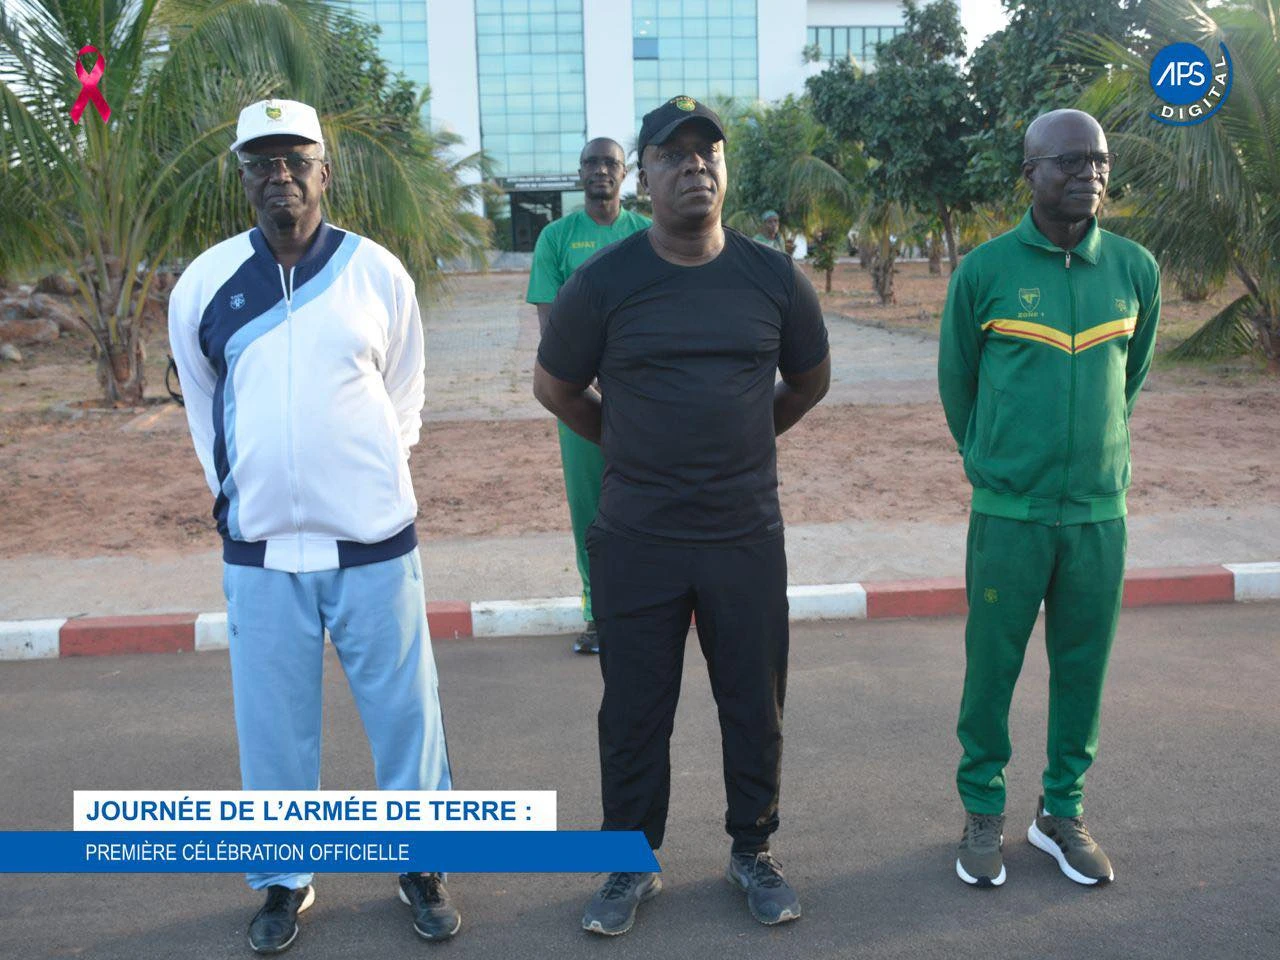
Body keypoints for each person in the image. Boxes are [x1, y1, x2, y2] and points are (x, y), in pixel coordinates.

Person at [533, 95, 830, 935]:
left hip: (742, 534)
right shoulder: (605, 280)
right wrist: (627, 444)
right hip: (638, 538)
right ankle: (628, 863)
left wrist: (743, 440)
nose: (695, 166)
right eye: (674, 154)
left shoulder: (773, 277)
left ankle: (753, 851)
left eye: (709, 153)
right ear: (644, 174)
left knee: (753, 702)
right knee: (633, 708)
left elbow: (808, 382)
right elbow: (554, 387)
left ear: (724, 171)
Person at [168, 99, 460, 952]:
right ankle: (284, 881)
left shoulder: (378, 274)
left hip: (373, 543)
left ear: (324, 170)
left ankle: (421, 862)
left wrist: (376, 479)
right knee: (272, 725)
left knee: (406, 716)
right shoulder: (205, 284)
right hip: (261, 553)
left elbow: (404, 392)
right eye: (261, 163)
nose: (280, 176)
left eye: (295, 159)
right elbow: (202, 406)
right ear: (243, 178)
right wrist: (237, 494)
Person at [938, 108, 1160, 890]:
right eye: (1069, 162)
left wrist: (1092, 465)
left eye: (1099, 162)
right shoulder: (987, 273)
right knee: (990, 669)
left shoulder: (1134, 270)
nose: (1088, 176)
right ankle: (983, 813)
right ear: (1028, 172)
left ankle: (1059, 812)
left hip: (1100, 516)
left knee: (1083, 670)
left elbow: (1127, 384)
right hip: (1010, 515)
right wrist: (998, 464)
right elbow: (958, 384)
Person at [526, 137, 650, 656]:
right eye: (592, 163)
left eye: (611, 164)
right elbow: (551, 328)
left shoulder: (646, 232)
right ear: (579, 174)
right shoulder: (556, 238)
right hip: (581, 403)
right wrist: (589, 382)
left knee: (651, 503)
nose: (601, 171)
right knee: (591, 509)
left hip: (646, 401)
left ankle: (651, 609)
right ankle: (598, 614)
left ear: (624, 175)